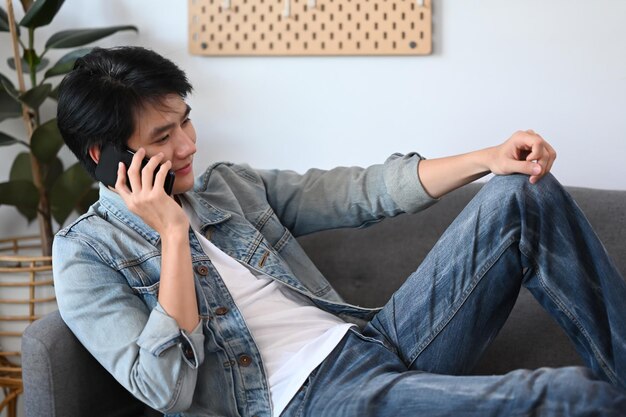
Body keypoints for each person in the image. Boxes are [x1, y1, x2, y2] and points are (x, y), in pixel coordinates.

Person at [53, 46, 626, 417]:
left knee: (522, 192)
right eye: (161, 137)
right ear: (106, 157)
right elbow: (166, 389)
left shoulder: (228, 187)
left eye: (186, 122)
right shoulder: (86, 255)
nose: (187, 146)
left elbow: (361, 190)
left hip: (375, 342)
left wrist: (490, 157)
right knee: (572, 398)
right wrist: (173, 238)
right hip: (310, 401)